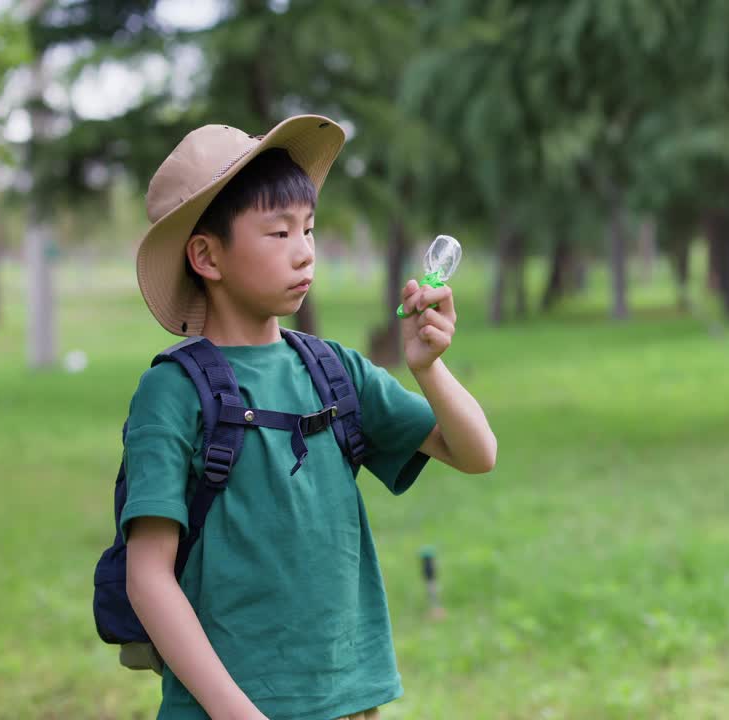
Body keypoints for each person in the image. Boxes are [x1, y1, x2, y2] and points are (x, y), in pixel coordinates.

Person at [122, 115, 496, 719]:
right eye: (278, 233)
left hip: (350, 701)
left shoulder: (332, 370)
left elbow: (477, 453)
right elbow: (147, 576)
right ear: (206, 256)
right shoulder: (173, 392)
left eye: (310, 229)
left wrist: (429, 369)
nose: (304, 252)